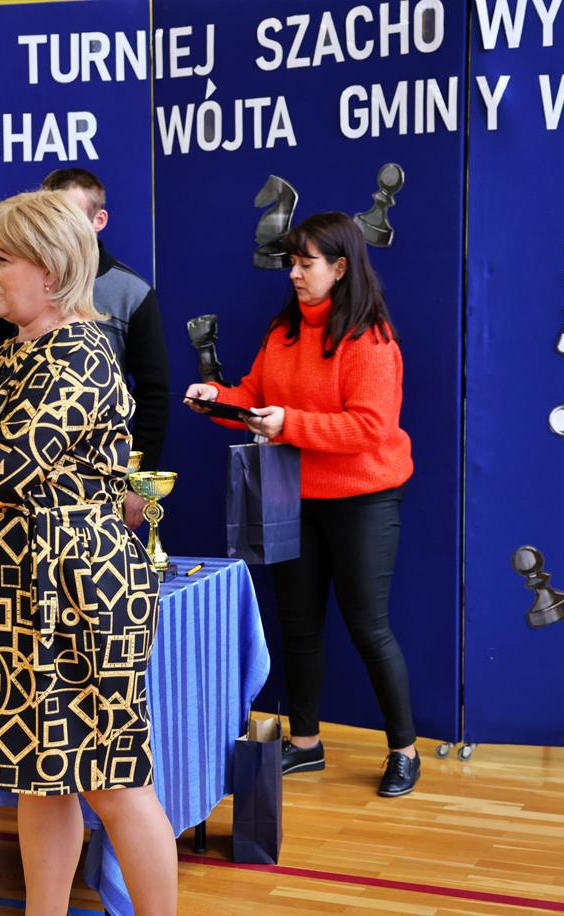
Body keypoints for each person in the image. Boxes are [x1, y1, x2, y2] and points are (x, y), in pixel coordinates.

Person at [0, 191, 191, 916]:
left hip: (79, 591)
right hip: (12, 593)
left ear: (50, 267)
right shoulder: (7, 355)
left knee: (112, 778)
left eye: (1, 259)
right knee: (37, 777)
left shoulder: (80, 355)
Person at [185, 212, 422, 798]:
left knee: (369, 628)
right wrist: (218, 399)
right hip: (293, 496)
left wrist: (288, 423)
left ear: (340, 268)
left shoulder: (370, 340)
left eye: (305, 262)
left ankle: (405, 751)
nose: (293, 272)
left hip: (364, 499)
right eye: (291, 261)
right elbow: (254, 397)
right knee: (298, 626)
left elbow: (368, 428)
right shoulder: (283, 331)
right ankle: (307, 743)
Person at [0, 167, 169, 530]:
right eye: (45, 215)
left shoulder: (97, 335)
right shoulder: (6, 317)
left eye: (65, 216)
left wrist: (138, 482)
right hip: (6, 531)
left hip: (68, 527)